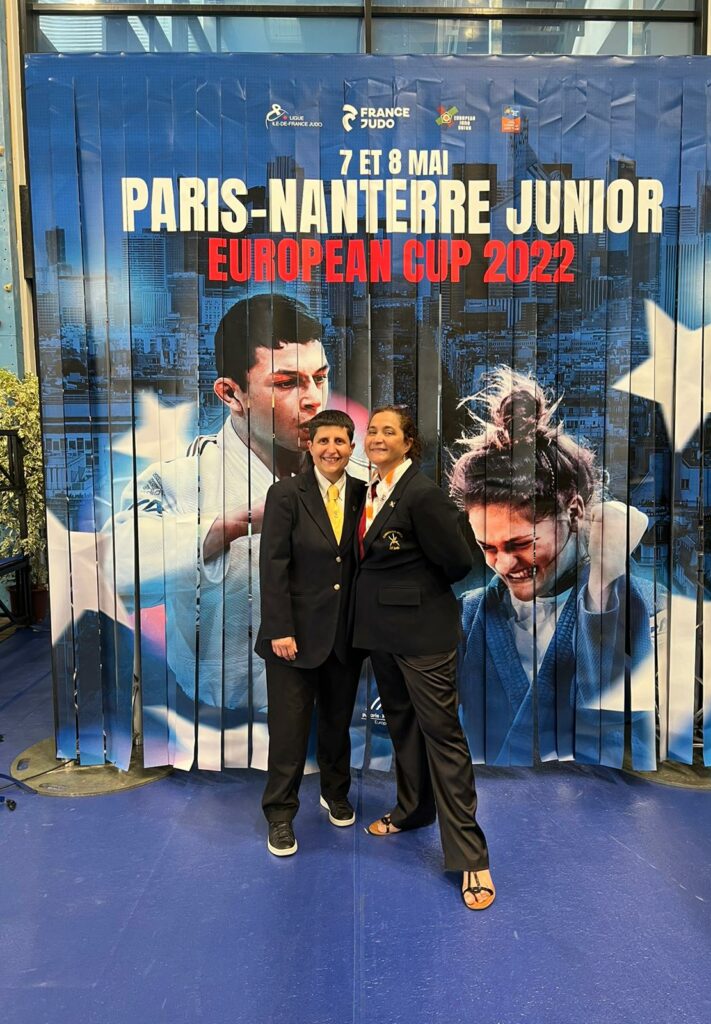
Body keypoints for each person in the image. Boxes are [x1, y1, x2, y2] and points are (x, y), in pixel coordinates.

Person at [112, 294, 333, 767]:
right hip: (214, 727)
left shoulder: (353, 478)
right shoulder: (179, 481)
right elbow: (120, 569)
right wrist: (232, 525)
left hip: (328, 714)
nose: (314, 399)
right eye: (287, 383)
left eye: (320, 377)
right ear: (232, 394)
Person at [449, 367, 661, 770]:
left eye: (521, 544)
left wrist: (604, 579)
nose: (503, 565)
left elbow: (613, 724)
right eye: (487, 548)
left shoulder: (629, 602)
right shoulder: (470, 613)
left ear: (574, 511)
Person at [353, 406, 495, 911]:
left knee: (443, 738)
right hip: (381, 634)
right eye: (372, 430)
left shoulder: (422, 494)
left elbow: (457, 562)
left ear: (409, 442)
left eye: (388, 431)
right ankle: (413, 809)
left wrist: (409, 591)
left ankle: (471, 856)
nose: (377, 437)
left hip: (423, 636)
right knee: (403, 728)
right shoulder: (369, 491)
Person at [256, 410, 365, 857]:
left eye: (340, 441)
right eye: (323, 441)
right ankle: (280, 814)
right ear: (310, 445)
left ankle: (335, 793)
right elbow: (273, 565)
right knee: (289, 733)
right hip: (293, 639)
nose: (331, 449)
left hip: (345, 636)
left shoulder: (365, 495)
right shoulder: (285, 494)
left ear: (352, 447)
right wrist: (280, 627)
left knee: (338, 724)